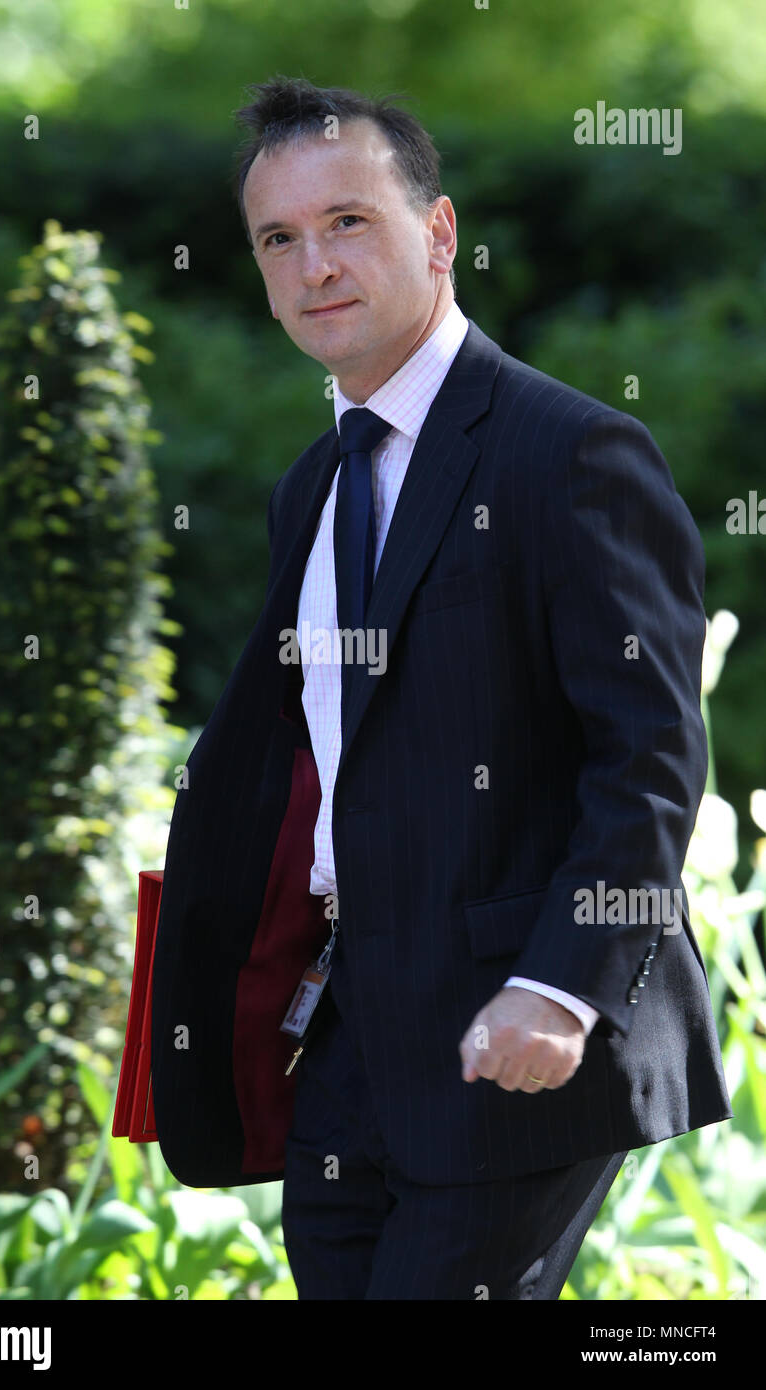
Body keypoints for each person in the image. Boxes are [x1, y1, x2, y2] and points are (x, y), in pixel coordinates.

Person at [150, 77, 732, 1300]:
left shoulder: (570, 452)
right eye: (278, 238)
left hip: (514, 1031)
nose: (313, 265)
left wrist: (558, 985)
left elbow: (647, 756)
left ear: (438, 231)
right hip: (350, 1034)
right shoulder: (310, 486)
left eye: (347, 221)